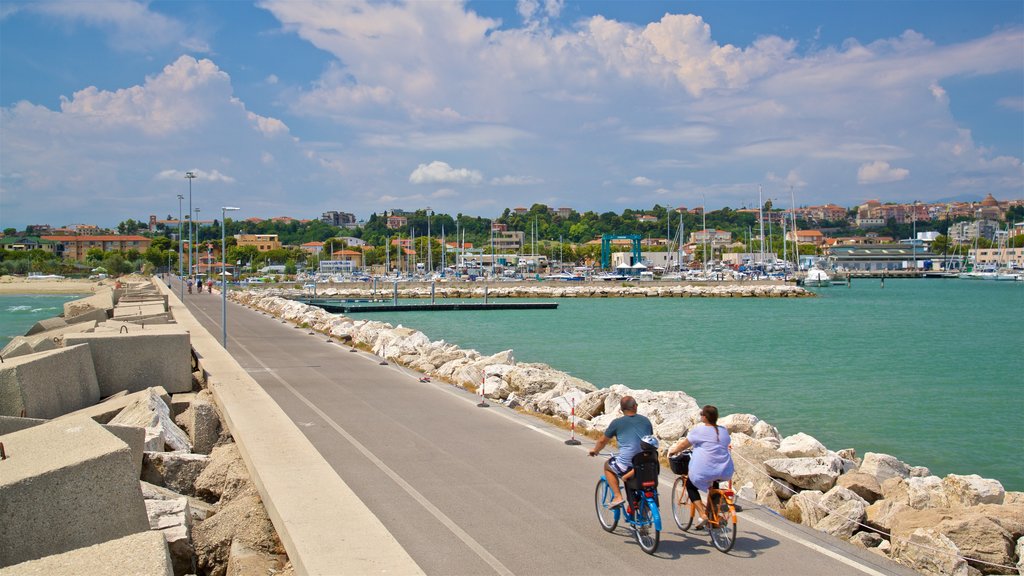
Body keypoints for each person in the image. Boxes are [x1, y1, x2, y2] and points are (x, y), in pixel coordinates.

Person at [668, 405, 734, 525]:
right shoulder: (723, 431)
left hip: (706, 470)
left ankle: (703, 515)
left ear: (704, 417)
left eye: (701, 414)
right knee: (714, 485)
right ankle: (713, 518)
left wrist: (674, 451)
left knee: (690, 485)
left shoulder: (699, 431)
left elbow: (684, 445)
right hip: (725, 470)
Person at [588, 396, 654, 508]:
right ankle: (645, 507)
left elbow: (602, 441)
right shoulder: (646, 421)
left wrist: (595, 451)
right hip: (648, 462)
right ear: (635, 406)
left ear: (621, 409)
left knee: (607, 466)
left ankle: (618, 496)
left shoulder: (617, 423)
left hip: (628, 465)